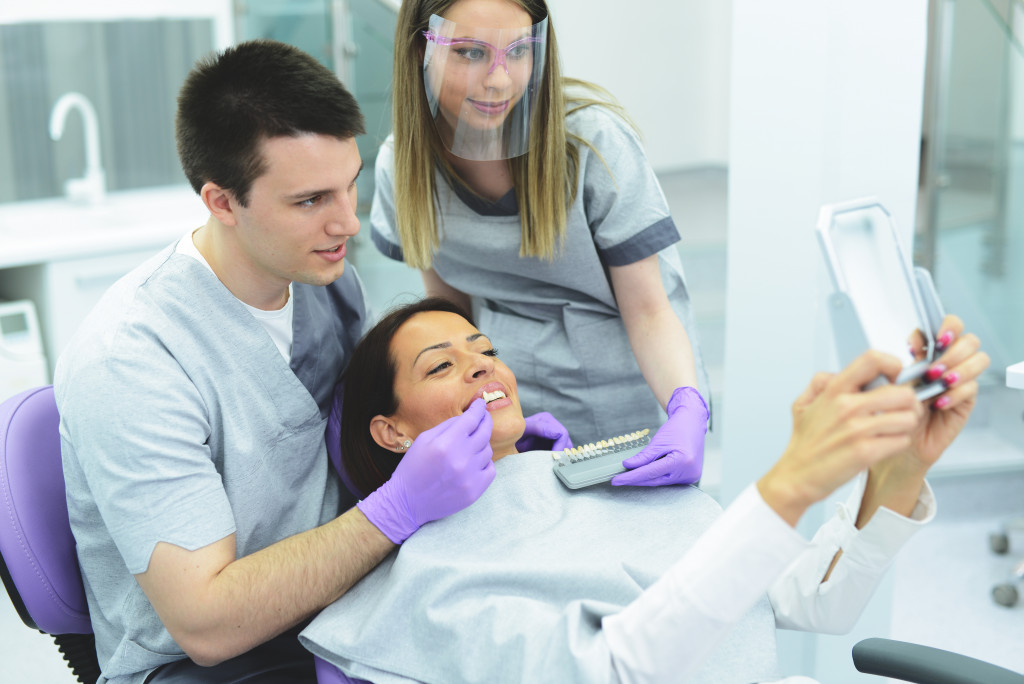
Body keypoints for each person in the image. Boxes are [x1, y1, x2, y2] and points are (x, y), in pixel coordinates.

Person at [50, 40, 550, 684]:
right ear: (222, 202)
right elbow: (205, 623)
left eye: (351, 185)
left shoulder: (325, 284)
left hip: (345, 603)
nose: (349, 222)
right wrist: (398, 508)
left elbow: (364, 437)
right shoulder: (131, 362)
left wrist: (496, 450)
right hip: (222, 663)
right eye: (311, 200)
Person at [300, 297, 989, 683]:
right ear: (390, 432)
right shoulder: (428, 576)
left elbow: (811, 601)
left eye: (485, 349)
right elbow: (611, 674)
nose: (483, 368)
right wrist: (789, 486)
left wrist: (898, 477)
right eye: (443, 365)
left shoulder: (594, 479)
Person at [369, 0, 711, 486]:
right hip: (504, 395)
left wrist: (686, 409)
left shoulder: (592, 143)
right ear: (419, 50)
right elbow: (449, 311)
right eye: (470, 52)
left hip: (624, 388)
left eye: (520, 51)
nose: (500, 80)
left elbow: (650, 310)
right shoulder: (400, 168)